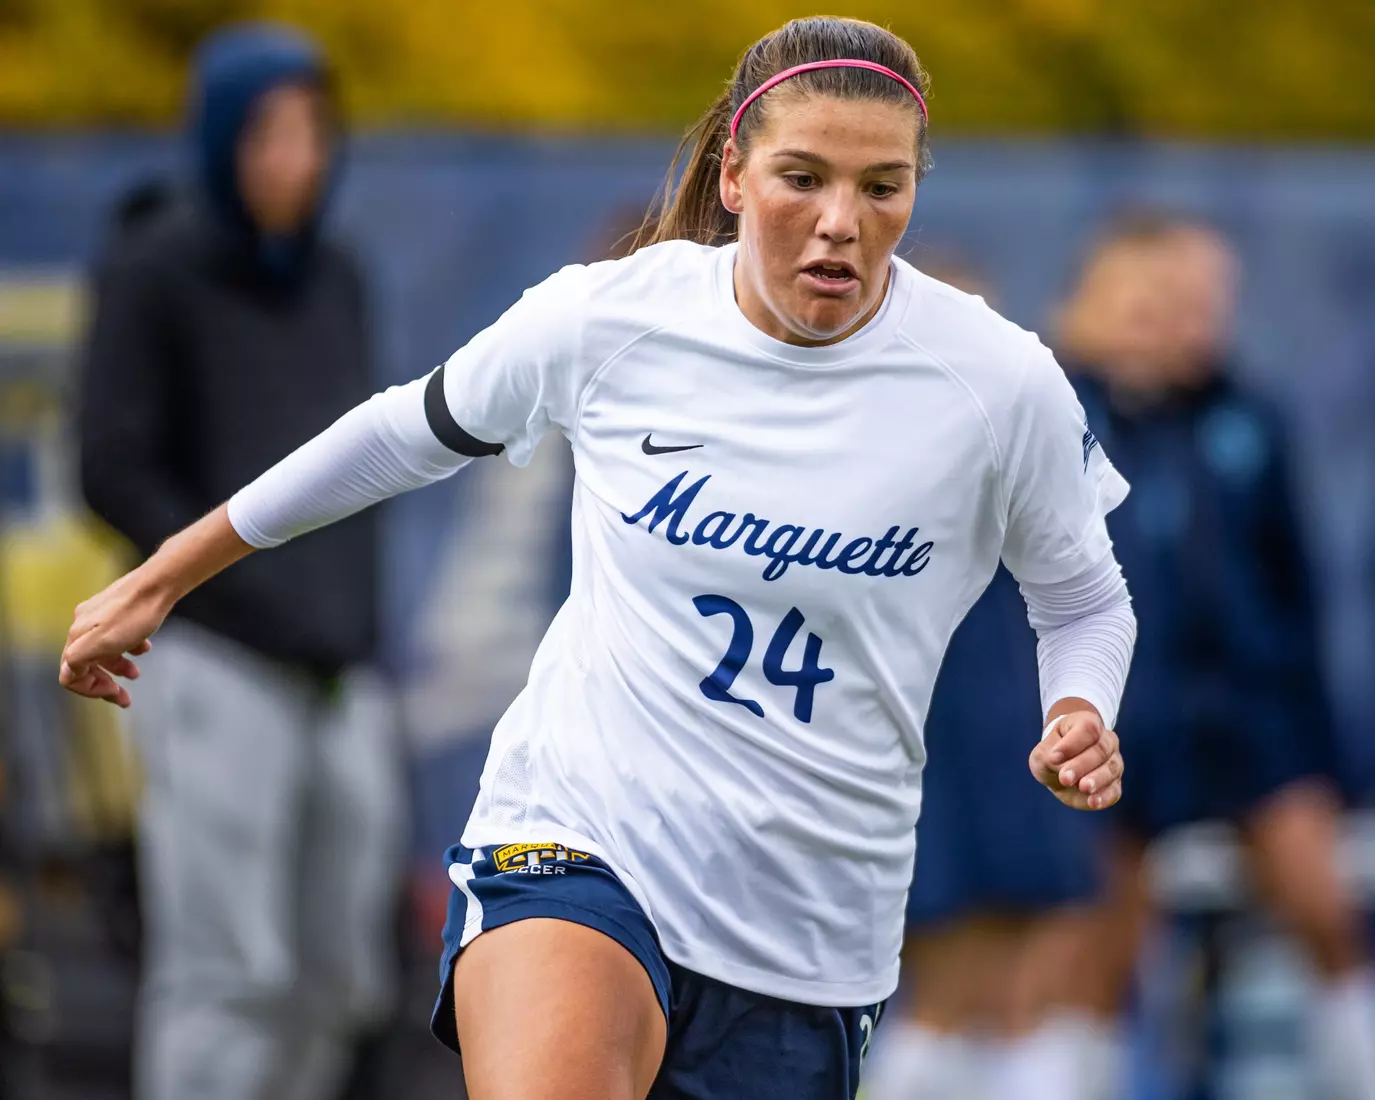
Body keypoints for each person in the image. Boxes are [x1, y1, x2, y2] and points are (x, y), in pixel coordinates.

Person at [60, 17, 1135, 1100]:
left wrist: (1080, 704)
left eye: (882, 188)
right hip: (577, 838)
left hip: (811, 924)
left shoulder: (996, 380)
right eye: (801, 177)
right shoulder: (610, 318)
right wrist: (163, 576)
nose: (839, 224)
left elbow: (1085, 598)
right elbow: (393, 435)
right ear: (733, 173)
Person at [77, 25, 403, 1100]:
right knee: (227, 975)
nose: (295, 156)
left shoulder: (340, 276)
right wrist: (222, 582)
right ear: (220, 139)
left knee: (342, 978)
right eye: (269, 132)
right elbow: (111, 467)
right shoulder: (154, 265)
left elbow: (362, 469)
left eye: (314, 130)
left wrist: (340, 621)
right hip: (216, 667)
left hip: (342, 678)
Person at [1063, 215, 1375, 1100]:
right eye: (1171, 301)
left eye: (1210, 303)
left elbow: (1296, 589)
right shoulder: (1063, 413)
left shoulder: (1247, 419)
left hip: (1248, 724)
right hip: (1121, 724)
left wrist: (1322, 753)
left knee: (1323, 906)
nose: (1195, 323)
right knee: (1102, 947)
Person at [866, 257, 1118, 1100]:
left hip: (1016, 730)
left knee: (1033, 977)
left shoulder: (1031, 435)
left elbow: (1089, 601)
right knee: (943, 987)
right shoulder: (851, 455)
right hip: (918, 746)